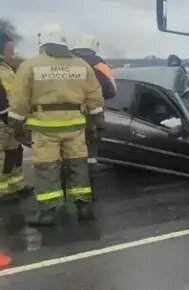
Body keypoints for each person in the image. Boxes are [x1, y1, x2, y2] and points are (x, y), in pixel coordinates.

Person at [9, 25, 104, 226]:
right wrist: (97, 120)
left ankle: (48, 213)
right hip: (75, 126)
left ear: (42, 43)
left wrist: (16, 124)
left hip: (45, 128)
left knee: (47, 168)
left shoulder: (30, 65)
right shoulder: (81, 65)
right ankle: (84, 207)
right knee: (78, 165)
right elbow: (95, 95)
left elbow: (19, 99)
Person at [71, 34, 116, 172]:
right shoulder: (99, 64)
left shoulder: (65, 61)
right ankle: (88, 181)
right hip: (91, 115)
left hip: (65, 114)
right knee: (90, 148)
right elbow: (111, 91)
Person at [0, 19, 32, 204]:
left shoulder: (7, 68)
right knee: (4, 154)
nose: (12, 54)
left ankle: (17, 184)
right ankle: (3, 189)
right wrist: (6, 117)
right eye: (9, 50)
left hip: (11, 119)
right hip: (3, 119)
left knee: (15, 151)